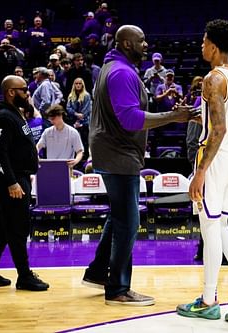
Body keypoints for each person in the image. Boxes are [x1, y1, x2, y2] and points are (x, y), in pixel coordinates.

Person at [81, 24, 194, 306]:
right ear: (127, 44)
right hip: (118, 155)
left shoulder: (114, 68)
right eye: (141, 40)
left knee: (118, 216)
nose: (146, 45)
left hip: (112, 152)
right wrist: (173, 116)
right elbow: (130, 119)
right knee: (129, 223)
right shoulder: (120, 72)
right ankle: (118, 289)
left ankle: (97, 272)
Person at [176, 19, 228, 322]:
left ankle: (209, 300)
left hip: (216, 158)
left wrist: (200, 172)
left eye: (203, 40)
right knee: (221, 226)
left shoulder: (212, 78)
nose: (201, 45)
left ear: (213, 45)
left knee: (209, 229)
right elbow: (227, 122)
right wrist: (201, 119)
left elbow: (219, 130)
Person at [0, 75, 49, 291]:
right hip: (10, 180)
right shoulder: (3, 117)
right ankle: (24, 276)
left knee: (5, 226)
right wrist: (12, 182)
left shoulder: (16, 114)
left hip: (19, 176)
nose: (28, 93)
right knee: (18, 227)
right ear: (11, 92)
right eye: (24, 89)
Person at [66, 77, 92, 161]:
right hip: (73, 122)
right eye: (76, 83)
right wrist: (76, 114)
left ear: (82, 85)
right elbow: (68, 108)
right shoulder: (71, 96)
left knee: (84, 141)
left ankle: (84, 158)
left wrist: (79, 120)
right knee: (74, 142)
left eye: (79, 83)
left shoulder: (86, 95)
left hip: (84, 122)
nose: (78, 85)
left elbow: (87, 109)